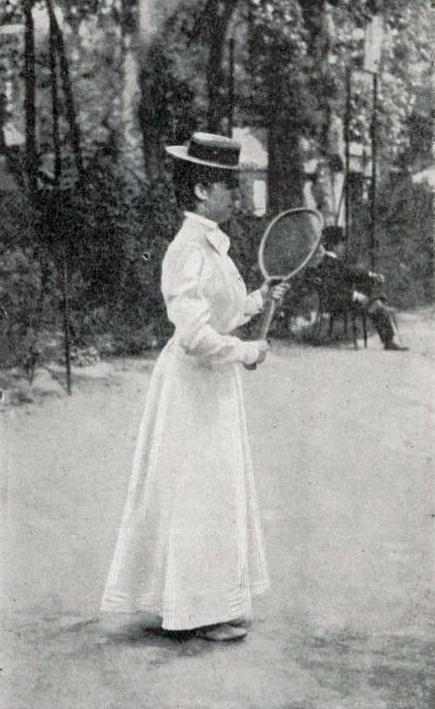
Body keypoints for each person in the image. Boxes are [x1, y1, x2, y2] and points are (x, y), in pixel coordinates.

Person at [100, 132, 287, 641]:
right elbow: (195, 337)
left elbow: (221, 312)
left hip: (211, 387)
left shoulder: (210, 245)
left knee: (215, 490)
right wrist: (247, 351)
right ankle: (194, 611)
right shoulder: (187, 249)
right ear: (203, 189)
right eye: (230, 185)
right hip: (191, 387)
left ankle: (207, 604)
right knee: (197, 492)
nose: (237, 194)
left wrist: (258, 299)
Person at [304, 227, 408, 351]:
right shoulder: (330, 263)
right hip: (338, 302)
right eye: (341, 243)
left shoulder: (329, 261)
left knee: (374, 299)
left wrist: (371, 275)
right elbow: (334, 287)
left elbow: (351, 272)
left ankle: (378, 303)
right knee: (378, 307)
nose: (343, 246)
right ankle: (388, 341)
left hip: (337, 300)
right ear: (333, 245)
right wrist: (355, 295)